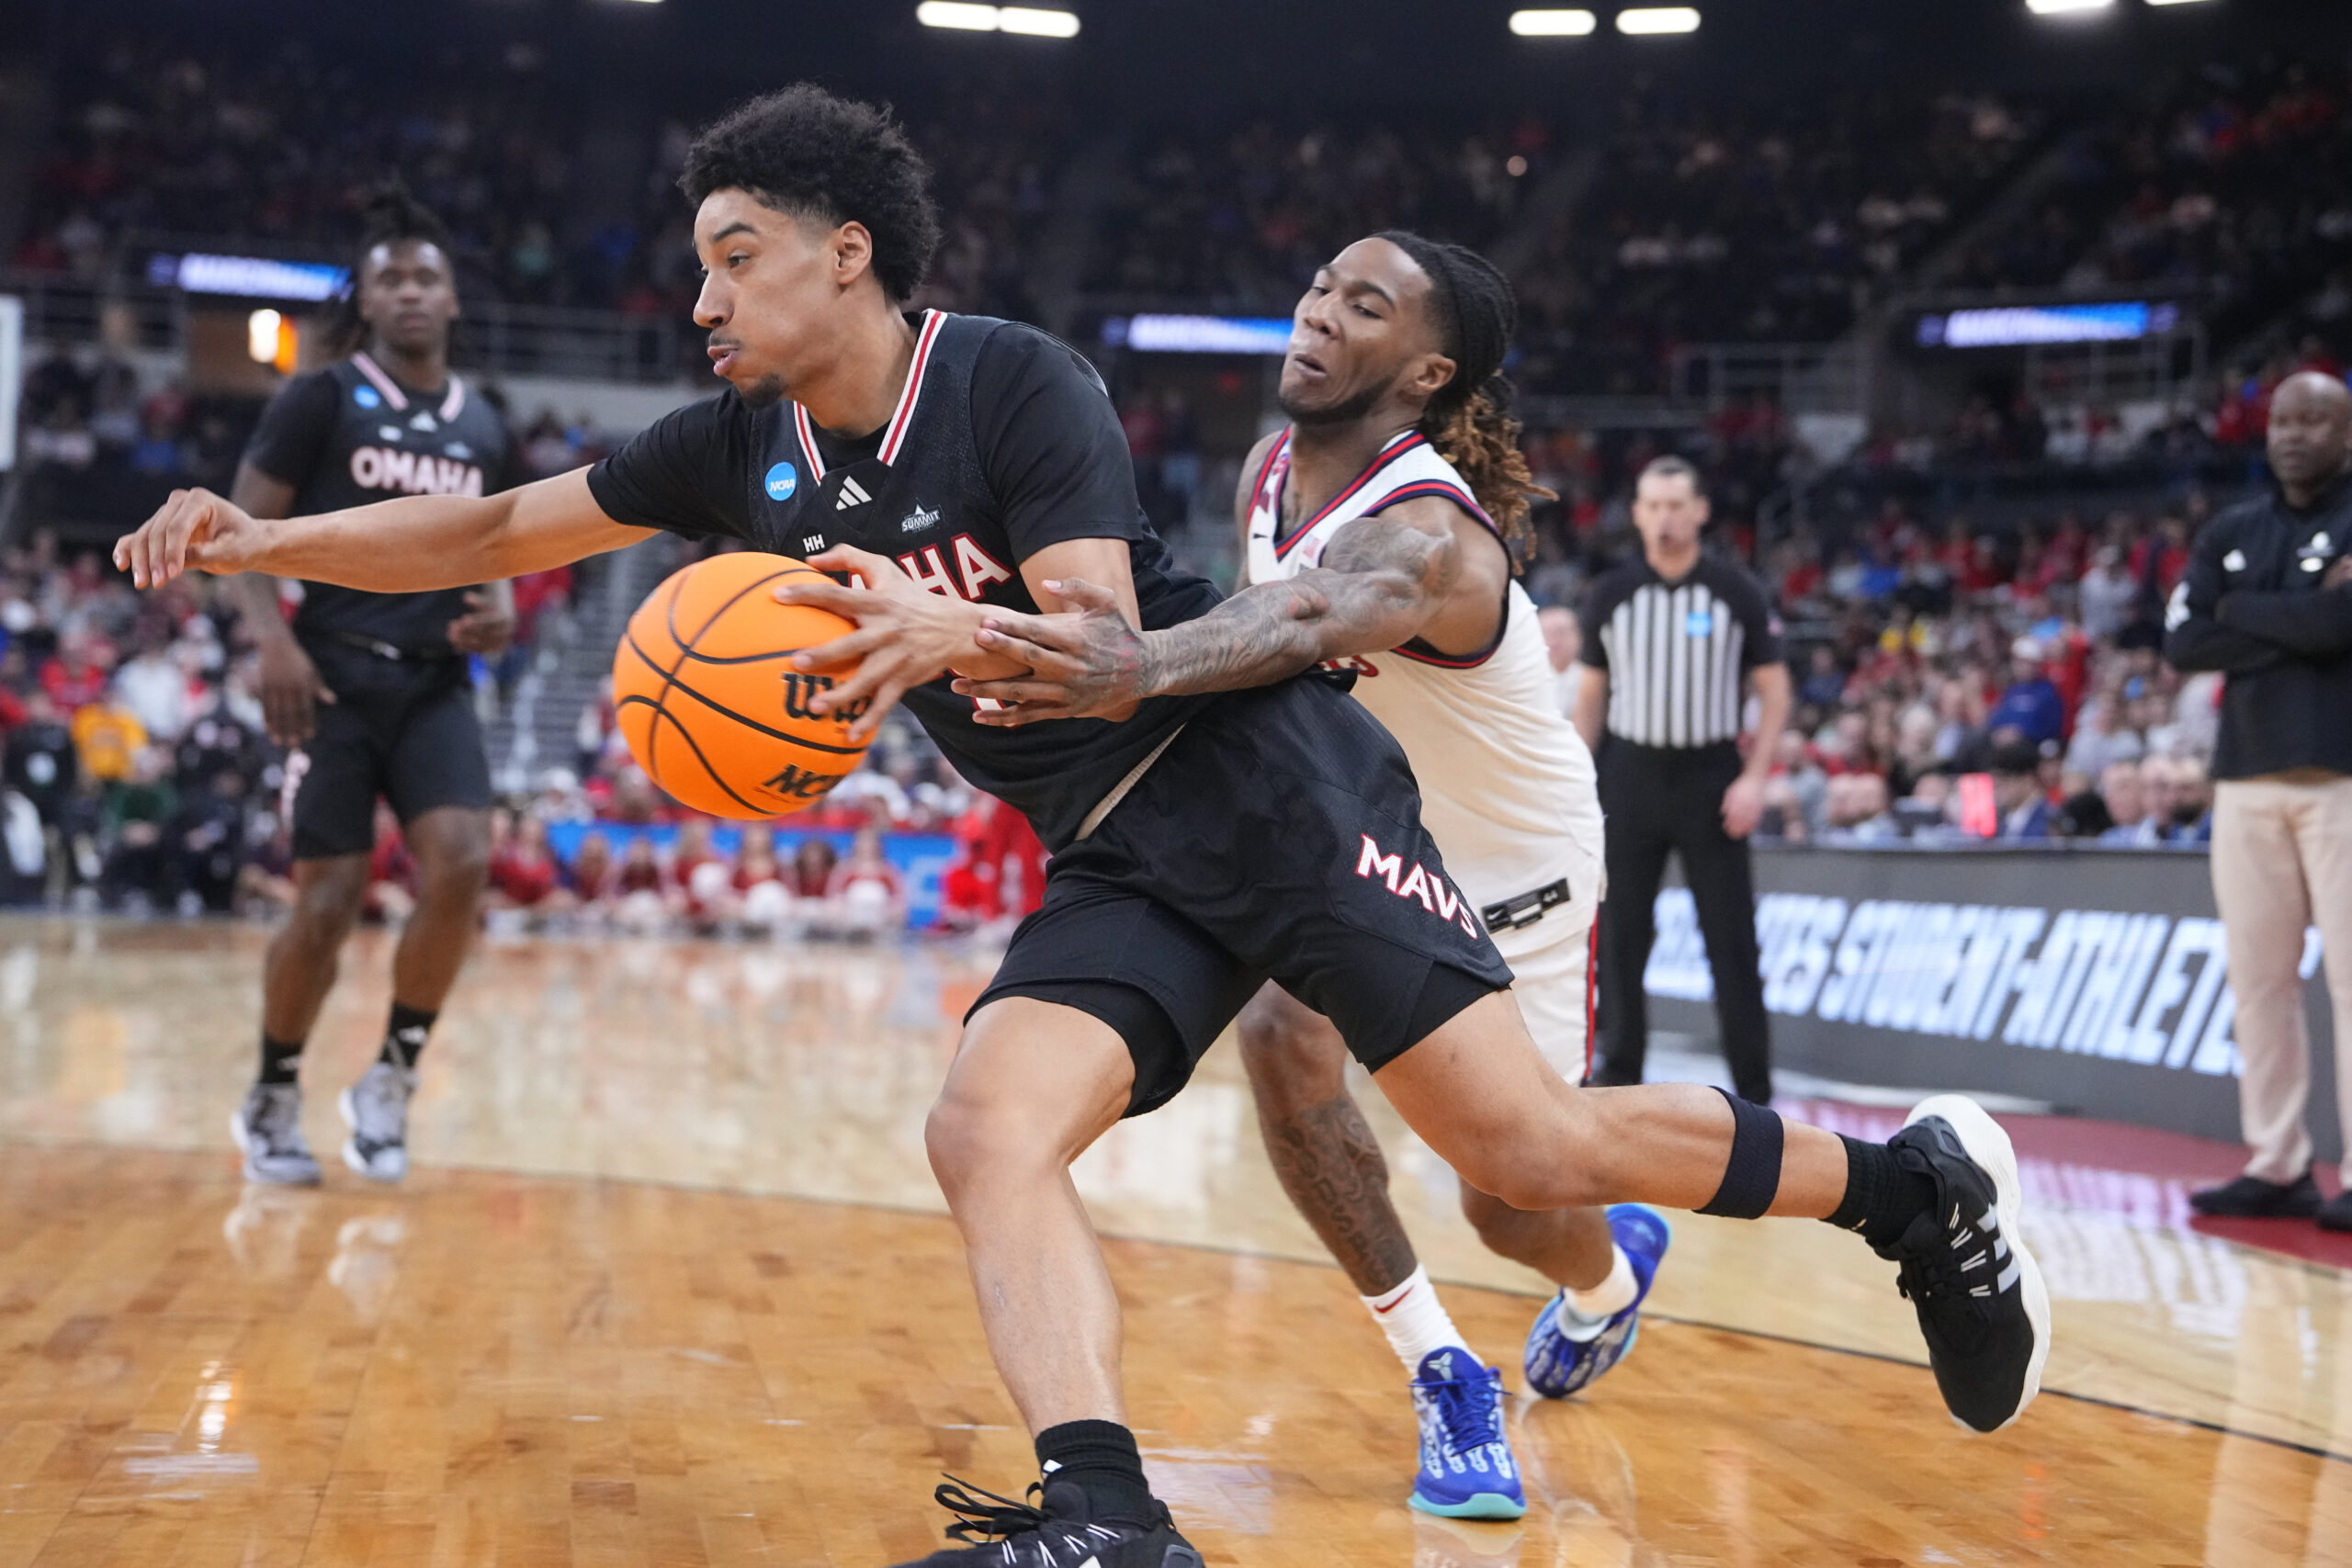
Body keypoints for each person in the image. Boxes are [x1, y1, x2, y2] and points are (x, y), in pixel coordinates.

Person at [116, 85, 2049, 1566]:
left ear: (846, 256)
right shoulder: (734, 450)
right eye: (698, 264)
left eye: (734, 256)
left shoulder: (1011, 383)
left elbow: (1114, 651)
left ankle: (1908, 1191)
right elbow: (486, 526)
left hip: (1267, 788)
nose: (699, 298)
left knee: (1521, 1150)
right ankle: (1107, 1511)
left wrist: (949, 629)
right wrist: (259, 539)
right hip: (1126, 857)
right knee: (982, 1124)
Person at [966, 232, 1649, 1520]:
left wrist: (1132, 667)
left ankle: (1607, 1278)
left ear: (1427, 371)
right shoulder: (1268, 470)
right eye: (1323, 286)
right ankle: (1440, 1366)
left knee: (1512, 1197)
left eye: (1364, 304)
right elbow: (1261, 654)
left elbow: (1305, 619)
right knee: (1282, 1039)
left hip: (1514, 869)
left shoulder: (1434, 538)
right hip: (1357, 837)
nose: (1320, 311)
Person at [222, 186, 516, 1188]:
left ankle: (390, 1076)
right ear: (368, 299)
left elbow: (498, 546)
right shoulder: (321, 397)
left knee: (464, 863)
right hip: (332, 676)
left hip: (435, 681)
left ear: (453, 297)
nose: (410, 291)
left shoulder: (484, 422)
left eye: (426, 276)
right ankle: (273, 1089)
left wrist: (499, 607)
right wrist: (273, 642)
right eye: (390, 278)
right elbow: (240, 535)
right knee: (330, 901)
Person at [2165, 370, 2352, 1233]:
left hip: (2342, 778)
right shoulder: (2230, 530)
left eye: (2314, 419)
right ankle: (2277, 1163)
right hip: (2245, 780)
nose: (2293, 433)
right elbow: (2184, 641)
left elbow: (2342, 626)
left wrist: (2242, 612)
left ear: (2346, 434)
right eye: (2282, 419)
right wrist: (2309, 617)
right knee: (2259, 983)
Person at [1574, 457, 1791, 1105]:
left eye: (1676, 505)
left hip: (1711, 777)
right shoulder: (1611, 594)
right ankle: (1619, 1083)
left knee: (1731, 940)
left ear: (1700, 511)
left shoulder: (1735, 591)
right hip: (1629, 774)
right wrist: (1578, 781)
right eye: (1653, 505)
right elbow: (1592, 695)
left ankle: (1755, 1092)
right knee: (1619, 939)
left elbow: (1776, 691)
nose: (1665, 517)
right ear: (1637, 514)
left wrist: (1754, 778)